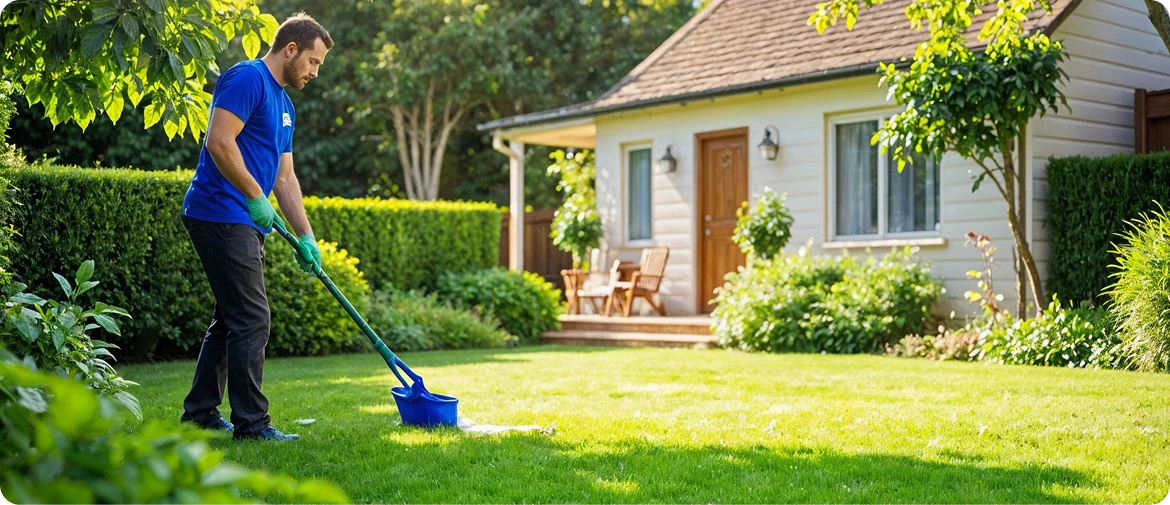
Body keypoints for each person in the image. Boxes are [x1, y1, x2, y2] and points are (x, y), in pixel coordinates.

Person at [179, 12, 333, 442]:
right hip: (220, 213)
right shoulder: (246, 78)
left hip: (243, 218)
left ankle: (200, 413)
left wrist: (306, 236)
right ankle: (252, 425)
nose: (314, 72)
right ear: (290, 49)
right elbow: (219, 140)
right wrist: (252, 194)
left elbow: (285, 178)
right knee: (252, 317)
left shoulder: (284, 106)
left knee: (231, 319)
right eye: (313, 62)